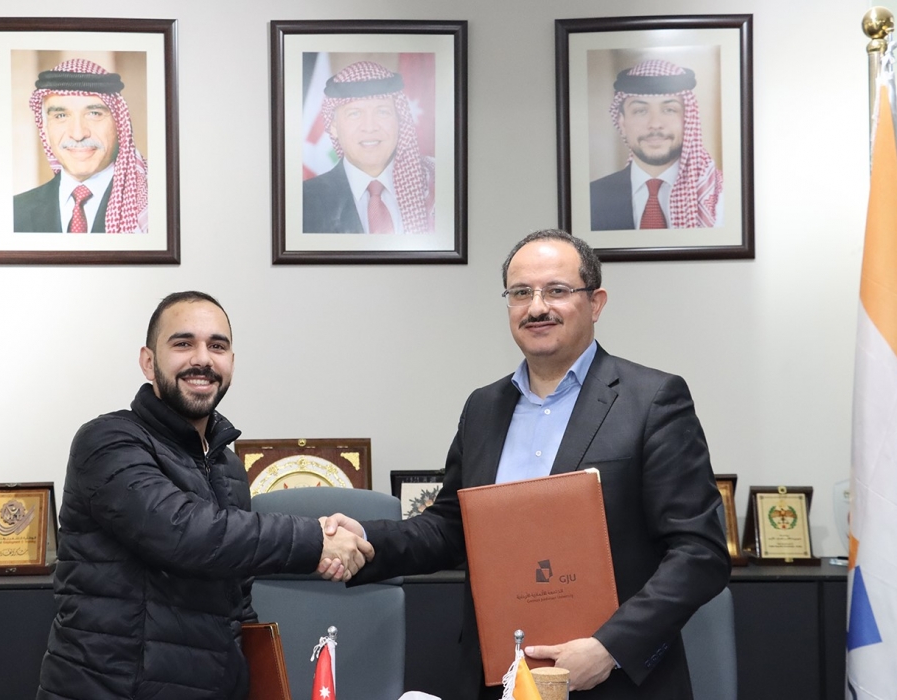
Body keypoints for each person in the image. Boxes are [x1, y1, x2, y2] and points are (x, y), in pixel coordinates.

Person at [323, 230, 730, 700]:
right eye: (521, 293)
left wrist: (609, 648)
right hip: (500, 677)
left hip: (616, 682)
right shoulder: (483, 408)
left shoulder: (653, 400)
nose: (537, 307)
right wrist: (365, 537)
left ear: (595, 303)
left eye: (556, 290)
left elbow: (699, 552)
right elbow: (451, 528)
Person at [36, 291, 373, 700]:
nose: (203, 359)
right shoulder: (108, 441)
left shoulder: (227, 467)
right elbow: (184, 533)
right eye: (183, 343)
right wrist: (315, 540)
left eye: (217, 346)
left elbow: (237, 604)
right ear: (148, 361)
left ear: (231, 361)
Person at [14, 58, 148, 233]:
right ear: (45, 130)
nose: (78, 134)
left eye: (94, 113)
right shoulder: (14, 212)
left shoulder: (151, 207)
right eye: (61, 116)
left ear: (120, 125)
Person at [590, 59, 724, 231]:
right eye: (640, 111)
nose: (655, 124)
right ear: (622, 124)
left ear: (688, 120)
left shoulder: (721, 196)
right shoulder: (592, 197)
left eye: (669, 110)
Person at [302, 60, 434, 234]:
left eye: (382, 112)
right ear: (333, 126)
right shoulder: (304, 201)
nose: (370, 127)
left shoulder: (436, 184)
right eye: (354, 114)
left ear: (399, 120)